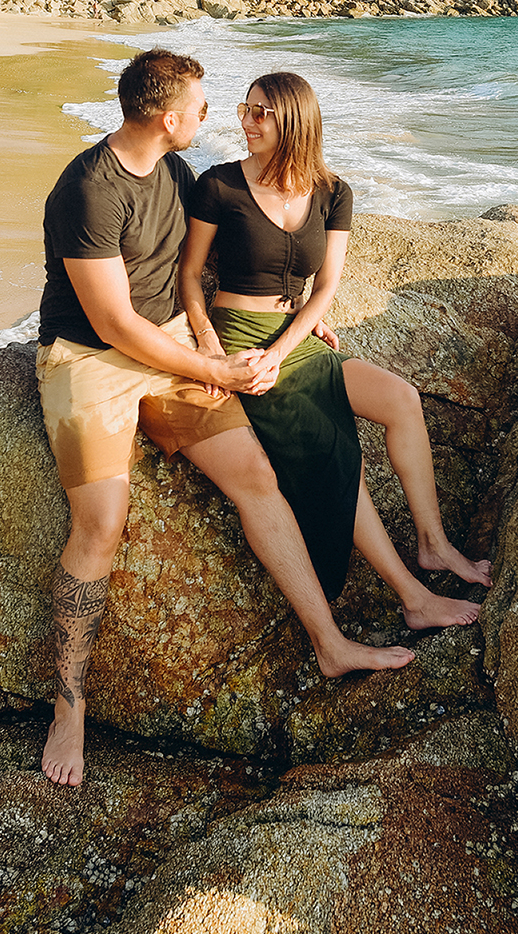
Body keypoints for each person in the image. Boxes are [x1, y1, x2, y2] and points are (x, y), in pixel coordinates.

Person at [34, 49, 413, 789]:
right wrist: (211, 368)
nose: (214, 119)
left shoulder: (176, 174)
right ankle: (68, 704)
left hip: (173, 344)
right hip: (87, 358)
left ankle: (330, 643)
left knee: (256, 477)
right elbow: (112, 323)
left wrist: (295, 317)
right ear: (169, 118)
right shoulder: (89, 190)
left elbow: (201, 266)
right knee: (101, 524)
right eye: (205, 108)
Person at [178, 70, 493, 619]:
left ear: (293, 121)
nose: (246, 122)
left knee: (402, 400)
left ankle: (433, 544)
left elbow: (325, 289)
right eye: (244, 109)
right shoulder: (219, 185)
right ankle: (413, 598)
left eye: (261, 113)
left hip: (295, 339)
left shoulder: (333, 192)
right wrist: (209, 344)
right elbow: (189, 277)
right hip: (240, 340)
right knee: (336, 454)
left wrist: (290, 341)